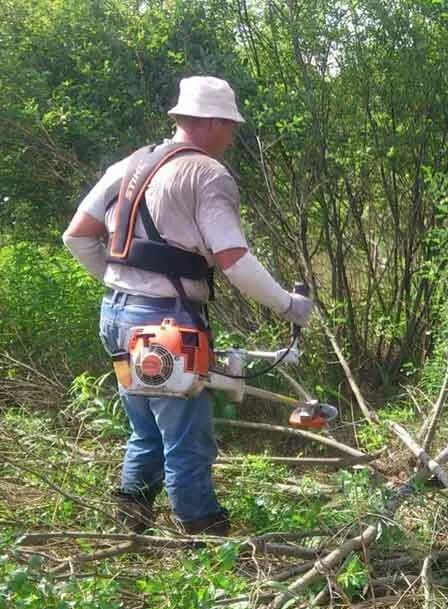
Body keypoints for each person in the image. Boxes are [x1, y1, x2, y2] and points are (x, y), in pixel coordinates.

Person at [62, 76, 312, 535]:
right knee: (187, 439)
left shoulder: (130, 165)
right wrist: (288, 306)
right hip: (165, 326)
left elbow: (76, 235)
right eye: (231, 126)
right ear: (213, 122)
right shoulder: (207, 174)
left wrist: (122, 284)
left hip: (117, 317)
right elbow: (233, 260)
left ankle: (130, 522)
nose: (233, 137)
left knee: (147, 430)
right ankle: (202, 535)